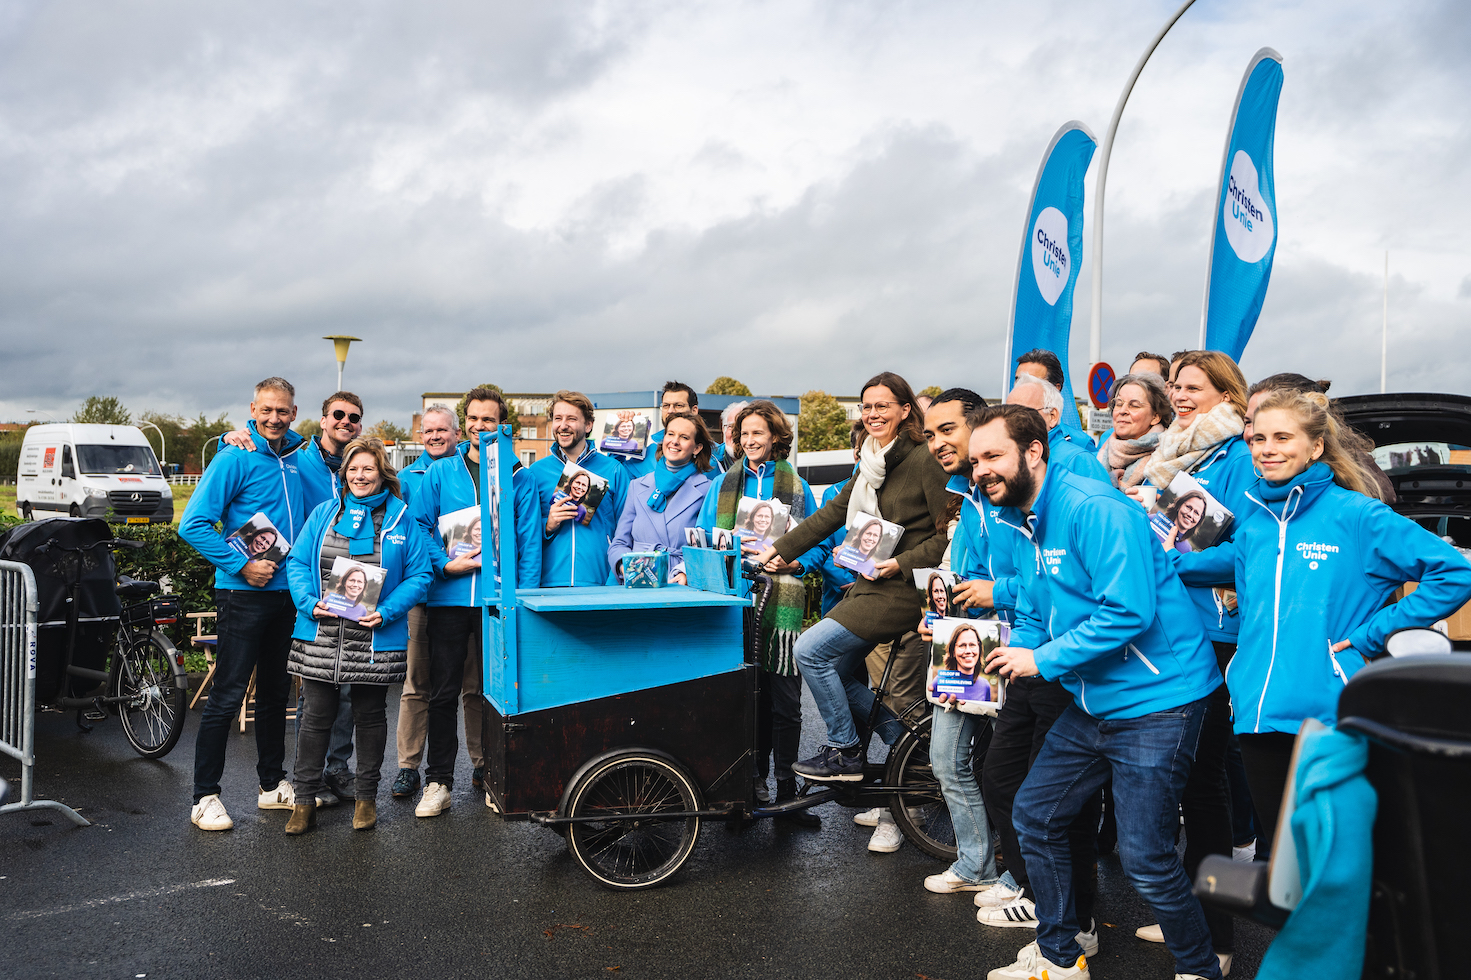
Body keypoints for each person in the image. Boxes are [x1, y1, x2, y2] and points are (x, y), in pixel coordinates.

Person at [974, 403, 1225, 980]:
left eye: (992, 456)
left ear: (1033, 451)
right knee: (1035, 815)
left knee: (1146, 858)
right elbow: (1033, 610)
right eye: (976, 460)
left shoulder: (1094, 508)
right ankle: (1062, 956)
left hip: (1160, 700)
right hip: (1095, 702)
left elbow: (1128, 612)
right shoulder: (1022, 520)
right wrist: (1016, 654)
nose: (981, 469)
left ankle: (1200, 968)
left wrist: (1041, 659)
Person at [1174, 388, 1471, 859]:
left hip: (1329, 712)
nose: (1267, 449)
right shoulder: (1255, 524)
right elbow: (1243, 588)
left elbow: (1454, 572)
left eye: (1282, 438)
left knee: (1329, 860)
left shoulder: (1357, 515)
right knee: (1281, 861)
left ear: (1315, 446)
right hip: (1257, 713)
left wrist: (1373, 633)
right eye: (1259, 438)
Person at [1124, 349, 1254, 964]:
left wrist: (1167, 560)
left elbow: (1241, 552)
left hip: (1218, 630)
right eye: (1175, 385)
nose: (1178, 394)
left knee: (1205, 784)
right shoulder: (1176, 453)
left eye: (1193, 387)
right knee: (1193, 781)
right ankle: (1193, 914)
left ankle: (1217, 936)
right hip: (1176, 627)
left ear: (1226, 395)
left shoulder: (1238, 456)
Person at [756, 372, 950, 782]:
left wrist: (899, 563)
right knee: (839, 674)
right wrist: (777, 550)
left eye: (883, 406)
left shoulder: (924, 458)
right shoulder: (872, 459)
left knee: (809, 651)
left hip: (901, 589)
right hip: (870, 584)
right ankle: (910, 748)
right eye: (867, 407)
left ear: (905, 409)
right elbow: (830, 514)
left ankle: (845, 751)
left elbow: (946, 535)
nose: (873, 413)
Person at [220, 390, 365, 802]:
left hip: (349, 580)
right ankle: (309, 775)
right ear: (322, 419)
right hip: (304, 585)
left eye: (353, 417)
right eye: (338, 414)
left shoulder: (359, 464)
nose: (345, 421)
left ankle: (338, 768)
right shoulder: (298, 458)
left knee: (348, 683)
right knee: (313, 683)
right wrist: (227, 438)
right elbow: (255, 455)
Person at [283, 438, 431, 834]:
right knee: (315, 719)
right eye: (353, 469)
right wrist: (308, 602)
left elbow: (420, 575)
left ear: (382, 473)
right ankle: (303, 801)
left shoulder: (401, 519)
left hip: (374, 638)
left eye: (368, 469)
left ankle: (365, 799)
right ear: (344, 474)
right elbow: (297, 562)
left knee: (369, 718)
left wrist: (387, 611)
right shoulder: (325, 512)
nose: (359, 476)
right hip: (322, 633)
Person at [179, 377, 308, 832]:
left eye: (282, 410)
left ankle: (271, 785)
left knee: (275, 692)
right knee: (228, 694)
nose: (274, 418)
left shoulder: (299, 456)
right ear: (253, 410)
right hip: (243, 593)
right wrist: (242, 566)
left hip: (287, 595)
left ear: (294, 412)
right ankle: (204, 797)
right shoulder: (235, 455)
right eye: (266, 410)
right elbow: (193, 524)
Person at [409, 388, 541, 817]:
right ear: (464, 422)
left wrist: (522, 598)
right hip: (448, 598)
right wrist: (445, 565)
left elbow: (529, 542)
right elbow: (419, 527)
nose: (481, 427)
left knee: (494, 693)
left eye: (489, 420)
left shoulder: (518, 475)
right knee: (443, 692)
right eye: (474, 419)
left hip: (497, 601)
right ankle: (438, 781)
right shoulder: (440, 472)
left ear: (503, 424)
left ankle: (494, 777)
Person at [697, 400, 827, 819]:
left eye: (758, 432)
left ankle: (788, 788)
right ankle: (748, 783)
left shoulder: (798, 486)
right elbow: (702, 539)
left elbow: (821, 543)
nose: (750, 440)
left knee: (785, 703)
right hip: (736, 603)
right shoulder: (722, 485)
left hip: (782, 608)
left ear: (775, 437)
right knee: (744, 699)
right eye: (744, 433)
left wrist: (796, 563)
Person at [392, 405, 469, 802]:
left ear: (457, 433)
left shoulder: (470, 473)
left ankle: (482, 764)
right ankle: (408, 766)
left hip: (461, 594)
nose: (436, 436)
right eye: (429, 431)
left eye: (443, 430)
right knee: (419, 683)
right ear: (420, 435)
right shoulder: (405, 478)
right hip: (421, 594)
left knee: (472, 686)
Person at [531, 390, 630, 587]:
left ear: (588, 425)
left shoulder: (614, 470)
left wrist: (614, 579)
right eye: (558, 418)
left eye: (571, 419)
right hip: (549, 585)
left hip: (601, 583)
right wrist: (547, 525)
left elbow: (628, 529)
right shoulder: (536, 472)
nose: (563, 425)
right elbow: (523, 530)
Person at [608, 411, 715, 585]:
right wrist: (624, 567)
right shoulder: (637, 486)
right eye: (670, 434)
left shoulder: (708, 489)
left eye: (684, 437)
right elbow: (619, 542)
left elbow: (710, 546)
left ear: (697, 448)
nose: (675, 441)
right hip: (638, 582)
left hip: (679, 583)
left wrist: (687, 572)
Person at [1096, 372, 1172, 489]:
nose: (1123, 411)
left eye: (1134, 405)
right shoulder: (1098, 455)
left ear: (1155, 417)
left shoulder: (1170, 459)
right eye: (1119, 403)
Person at [612, 381, 700, 481]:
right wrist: (620, 440)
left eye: (678, 405)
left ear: (694, 410)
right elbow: (617, 479)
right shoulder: (649, 454)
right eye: (666, 405)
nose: (670, 411)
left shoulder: (713, 456)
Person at [1014, 347, 1094, 449]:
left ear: (1056, 388)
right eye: (1018, 380)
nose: (1022, 387)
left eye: (1031, 381)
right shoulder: (999, 436)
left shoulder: (1081, 444)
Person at [711, 400, 749, 474]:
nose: (737, 433)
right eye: (732, 426)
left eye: (742, 427)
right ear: (723, 429)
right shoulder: (706, 462)